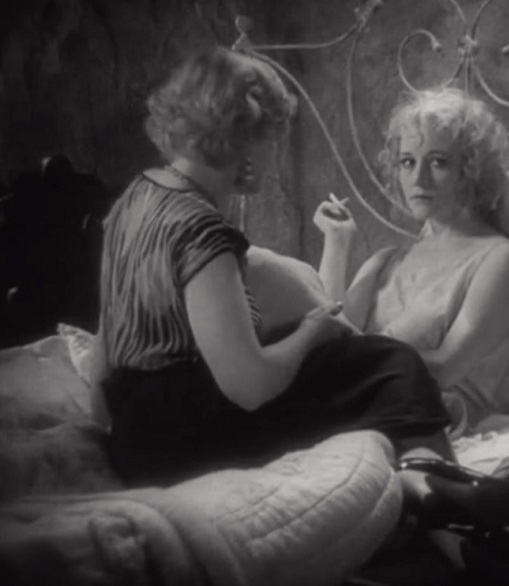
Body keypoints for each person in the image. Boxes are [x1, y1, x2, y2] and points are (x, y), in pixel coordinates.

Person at [96, 47, 458, 491]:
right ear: (244, 136)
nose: (273, 155)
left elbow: (105, 347)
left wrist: (101, 427)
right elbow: (250, 387)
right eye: (271, 139)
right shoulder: (200, 230)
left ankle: (429, 483)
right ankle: (444, 492)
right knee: (392, 364)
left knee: (356, 365)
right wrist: (311, 330)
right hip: (180, 442)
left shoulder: (135, 196)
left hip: (131, 436)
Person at [315, 88, 509, 439]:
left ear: (471, 169)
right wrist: (337, 243)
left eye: (438, 162)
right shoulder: (385, 261)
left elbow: (446, 368)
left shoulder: (500, 260)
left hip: (426, 419)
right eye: (407, 162)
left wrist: (346, 359)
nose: (418, 179)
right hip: (358, 403)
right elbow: (324, 337)